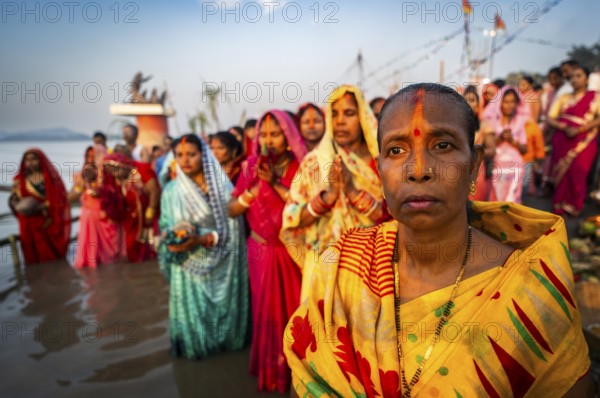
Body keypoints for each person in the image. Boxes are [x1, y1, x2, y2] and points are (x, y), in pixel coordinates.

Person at [283, 82, 594, 398]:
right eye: (396, 150)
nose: (418, 170)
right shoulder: (339, 269)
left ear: (474, 166)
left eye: (443, 145)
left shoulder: (532, 294)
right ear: (380, 171)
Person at [281, 85, 388, 302]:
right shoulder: (314, 162)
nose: (340, 121)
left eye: (348, 113)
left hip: (375, 268)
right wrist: (328, 197)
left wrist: (351, 191)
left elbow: (394, 219)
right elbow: (292, 220)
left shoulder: (383, 162)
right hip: (324, 269)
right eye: (334, 114)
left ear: (363, 117)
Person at [227, 110, 306, 392]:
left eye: (276, 134)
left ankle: (302, 376)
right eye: (264, 134)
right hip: (260, 252)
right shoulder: (251, 166)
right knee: (267, 317)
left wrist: (274, 182)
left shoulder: (302, 168)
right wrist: (253, 190)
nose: (269, 140)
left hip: (293, 254)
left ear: (289, 138)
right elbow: (232, 208)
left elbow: (306, 211)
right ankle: (273, 373)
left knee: (297, 314)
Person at [158, 133, 249, 359]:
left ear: (204, 156)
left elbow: (234, 223)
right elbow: (166, 226)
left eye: (191, 154)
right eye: (179, 155)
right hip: (190, 263)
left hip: (226, 260)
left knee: (225, 308)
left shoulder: (221, 187)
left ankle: (230, 344)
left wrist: (204, 238)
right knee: (196, 313)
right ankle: (197, 347)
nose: (185, 160)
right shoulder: (171, 192)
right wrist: (178, 236)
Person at [547, 66, 600, 216]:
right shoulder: (563, 97)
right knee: (561, 172)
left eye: (578, 76)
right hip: (562, 138)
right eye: (571, 77)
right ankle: (558, 203)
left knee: (578, 172)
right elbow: (551, 117)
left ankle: (574, 205)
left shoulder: (596, 97)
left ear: (587, 79)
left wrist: (580, 130)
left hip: (584, 142)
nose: (574, 79)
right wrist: (563, 126)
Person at [9, 149, 71, 265]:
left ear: (41, 160)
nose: (31, 162)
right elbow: (14, 200)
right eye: (27, 160)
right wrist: (19, 206)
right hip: (28, 223)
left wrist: (43, 206)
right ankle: (34, 278)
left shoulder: (51, 178)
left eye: (34, 159)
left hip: (47, 221)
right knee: (31, 255)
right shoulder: (19, 180)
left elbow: (61, 198)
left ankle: (56, 275)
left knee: (51, 255)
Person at [72, 146, 127, 268]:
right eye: (88, 156)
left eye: (94, 156)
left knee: (108, 251)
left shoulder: (109, 173)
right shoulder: (83, 175)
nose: (91, 159)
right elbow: (76, 193)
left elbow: (117, 194)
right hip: (88, 215)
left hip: (105, 215)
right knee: (91, 247)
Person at [482, 85, 529, 203]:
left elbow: (524, 149)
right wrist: (500, 138)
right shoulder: (492, 121)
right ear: (500, 103)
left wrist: (512, 141)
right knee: (496, 200)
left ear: (517, 103)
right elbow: (485, 146)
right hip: (496, 166)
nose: (509, 105)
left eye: (513, 101)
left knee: (511, 200)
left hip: (515, 168)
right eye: (506, 101)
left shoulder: (520, 121)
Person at [464, 85, 494, 201]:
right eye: (464, 100)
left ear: (478, 105)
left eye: (471, 100)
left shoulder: (484, 126)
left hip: (476, 173)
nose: (467, 103)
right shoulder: (453, 127)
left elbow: (492, 150)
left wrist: (473, 152)